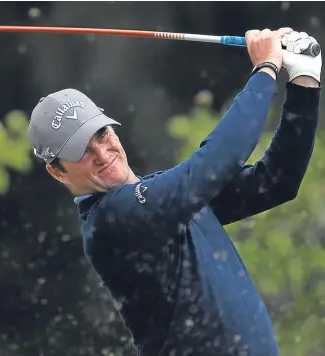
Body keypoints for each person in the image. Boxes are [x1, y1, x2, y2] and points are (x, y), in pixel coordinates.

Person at [27, 28, 321, 356]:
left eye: (102, 133)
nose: (102, 152)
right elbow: (212, 166)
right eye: (82, 149)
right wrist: (265, 71)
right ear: (57, 171)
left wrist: (303, 82)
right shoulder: (109, 221)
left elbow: (277, 181)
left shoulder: (170, 196)